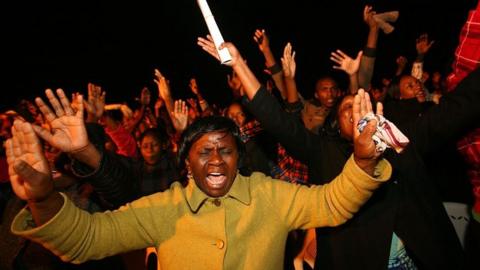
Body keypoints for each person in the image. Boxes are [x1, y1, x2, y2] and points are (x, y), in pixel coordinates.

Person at [6, 87, 391, 270]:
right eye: (204, 151)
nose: (216, 160)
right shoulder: (163, 208)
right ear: (186, 162)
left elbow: (331, 203)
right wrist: (42, 199)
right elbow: (87, 239)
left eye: (225, 149)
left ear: (239, 156)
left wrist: (360, 160)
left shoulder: (269, 194)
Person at [197, 36, 480, 269]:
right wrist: (240, 65)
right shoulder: (323, 152)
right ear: (336, 126)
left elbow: (457, 108)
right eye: (348, 109)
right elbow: (278, 121)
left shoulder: (402, 141)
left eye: (363, 104)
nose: (357, 110)